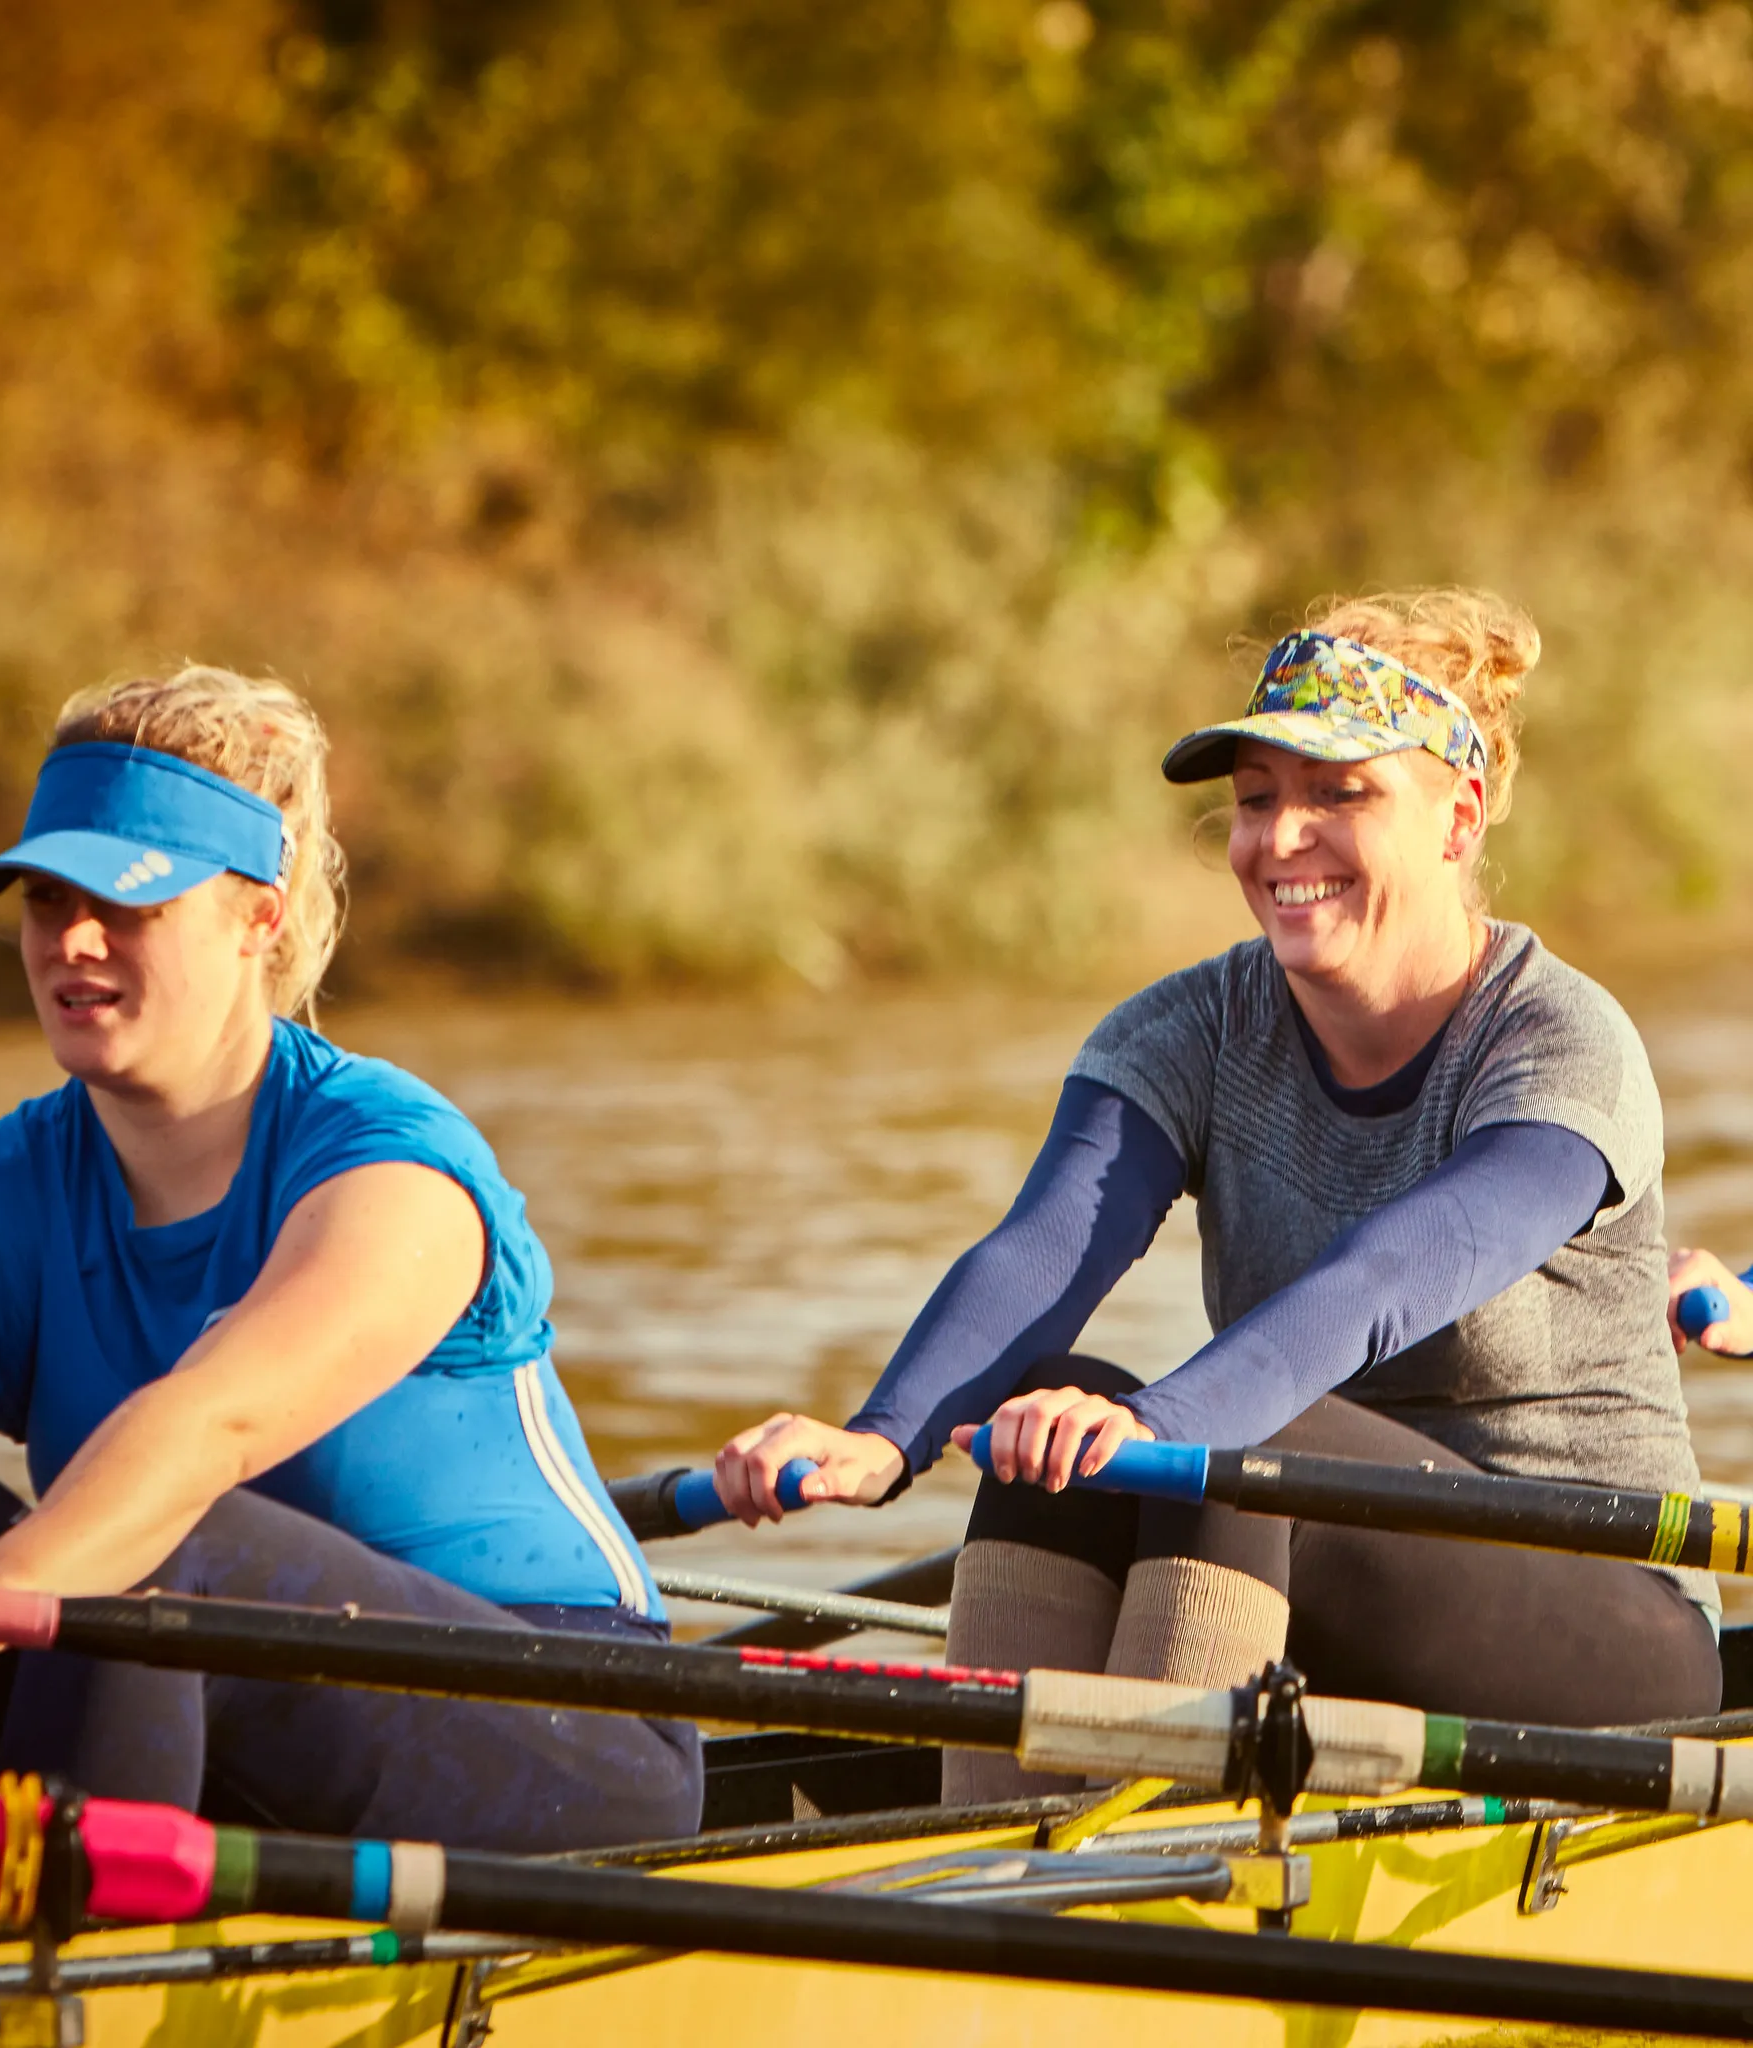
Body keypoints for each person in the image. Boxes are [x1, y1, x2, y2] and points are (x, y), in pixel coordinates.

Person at [0, 665, 698, 1928]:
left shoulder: (391, 1163)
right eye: (45, 901)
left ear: (257, 919)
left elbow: (206, 1432)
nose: (70, 943)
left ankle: (61, 1977)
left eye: (125, 904)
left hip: (564, 1729)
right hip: (195, 1688)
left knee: (160, 1532)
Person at [714, 590, 1721, 1804]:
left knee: (1227, 1431)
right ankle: (987, 1853)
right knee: (1068, 1412)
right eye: (1254, 800)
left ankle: (1144, 1867)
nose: (1278, 839)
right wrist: (882, 1436)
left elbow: (1383, 1278)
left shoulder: (1560, 1044)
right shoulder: (1191, 1027)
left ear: (1456, 821)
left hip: (1606, 1625)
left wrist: (1170, 1425)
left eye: (1337, 793)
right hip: (1311, 1559)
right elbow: (1043, 1253)